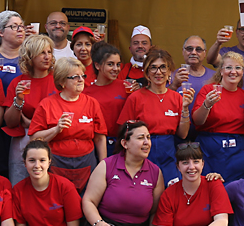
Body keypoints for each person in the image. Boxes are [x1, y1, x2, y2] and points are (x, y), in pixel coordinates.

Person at [28, 57, 107, 191]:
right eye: (75, 77)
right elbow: (34, 139)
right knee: (60, 198)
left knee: (86, 200)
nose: (81, 80)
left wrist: (103, 165)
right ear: (62, 81)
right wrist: (56, 129)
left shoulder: (92, 103)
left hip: (87, 161)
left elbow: (100, 138)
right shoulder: (47, 104)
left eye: (83, 75)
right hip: (57, 161)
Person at [118, 49, 190, 184]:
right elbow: (124, 132)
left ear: (170, 71)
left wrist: (185, 108)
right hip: (141, 155)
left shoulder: (177, 98)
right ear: (146, 72)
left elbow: (183, 134)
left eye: (163, 67)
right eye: (153, 68)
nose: (159, 72)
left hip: (169, 156)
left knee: (170, 196)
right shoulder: (136, 97)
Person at [2, 34, 57, 184]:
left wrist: (30, 122)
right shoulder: (18, 82)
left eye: (49, 52)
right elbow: (10, 122)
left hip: (53, 136)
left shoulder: (58, 80)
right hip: (22, 139)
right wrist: (18, 100)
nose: (47, 57)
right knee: (19, 184)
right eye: (41, 53)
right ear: (30, 57)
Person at [192, 50, 244, 183]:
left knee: (234, 189)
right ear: (221, 71)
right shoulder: (208, 90)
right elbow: (197, 121)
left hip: (236, 151)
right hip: (210, 148)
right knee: (210, 188)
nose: (233, 71)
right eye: (228, 67)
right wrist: (207, 104)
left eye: (238, 68)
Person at [86, 42, 131, 156]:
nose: (116, 69)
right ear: (97, 65)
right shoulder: (86, 93)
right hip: (96, 144)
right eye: (110, 64)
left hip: (122, 143)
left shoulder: (126, 87)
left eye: (118, 64)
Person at [0, 10, 27, 94]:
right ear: (1, 32)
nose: (20, 30)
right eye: (14, 26)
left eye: (21, 26)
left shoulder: (29, 54)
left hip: (20, 104)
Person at [170, 35, 214, 113]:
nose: (193, 52)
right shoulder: (172, 76)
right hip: (178, 123)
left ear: (204, 53)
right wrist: (174, 85)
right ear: (183, 51)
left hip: (207, 124)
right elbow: (161, 100)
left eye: (198, 49)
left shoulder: (214, 77)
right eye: (189, 49)